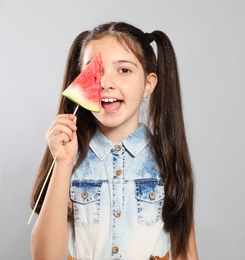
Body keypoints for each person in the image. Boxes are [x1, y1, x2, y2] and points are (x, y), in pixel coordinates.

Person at [30, 21, 198, 260]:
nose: (105, 83)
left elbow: (186, 253)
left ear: (148, 84)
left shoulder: (167, 158)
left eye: (124, 70)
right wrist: (63, 165)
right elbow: (44, 257)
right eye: (94, 72)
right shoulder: (69, 159)